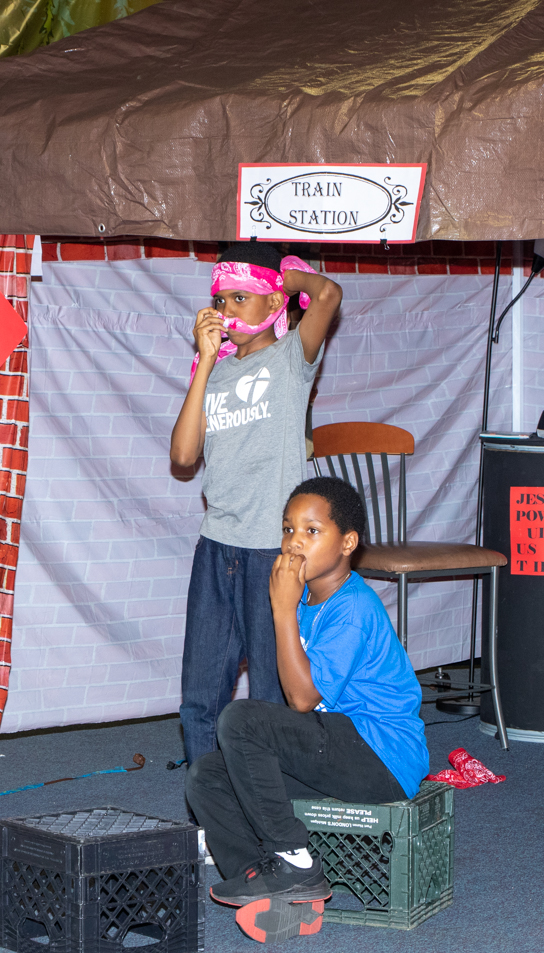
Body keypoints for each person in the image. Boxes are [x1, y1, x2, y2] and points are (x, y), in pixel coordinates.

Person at [186, 476, 427, 940]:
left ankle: (295, 862)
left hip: (382, 757)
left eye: (312, 531)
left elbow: (301, 698)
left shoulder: (353, 606)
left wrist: (280, 609)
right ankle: (266, 883)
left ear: (347, 543)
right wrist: (286, 608)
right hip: (337, 745)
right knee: (207, 775)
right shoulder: (304, 601)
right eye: (288, 529)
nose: (295, 542)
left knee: (239, 719)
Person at [170, 242, 342, 767]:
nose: (226, 310)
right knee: (200, 695)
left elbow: (328, 295)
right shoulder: (216, 371)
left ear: (273, 304)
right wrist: (204, 362)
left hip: (271, 551)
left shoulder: (290, 359)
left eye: (240, 298)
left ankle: (271, 805)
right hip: (216, 547)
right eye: (220, 300)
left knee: (269, 695)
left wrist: (290, 278)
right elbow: (183, 455)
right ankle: (209, 804)